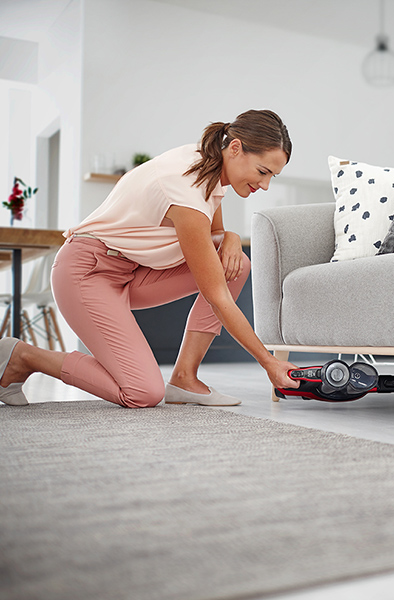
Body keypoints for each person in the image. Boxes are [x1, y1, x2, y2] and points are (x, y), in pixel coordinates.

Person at [0, 109, 300, 408]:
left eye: (272, 176)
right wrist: (269, 362)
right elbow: (217, 297)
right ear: (235, 148)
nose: (265, 185)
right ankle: (23, 356)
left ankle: (184, 378)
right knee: (143, 393)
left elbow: (216, 234)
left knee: (237, 264)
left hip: (131, 274)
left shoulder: (207, 167)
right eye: (262, 172)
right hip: (86, 272)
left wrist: (231, 237)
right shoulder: (186, 188)